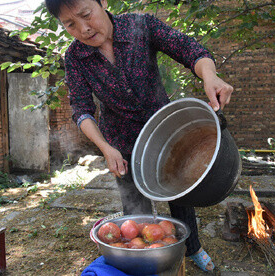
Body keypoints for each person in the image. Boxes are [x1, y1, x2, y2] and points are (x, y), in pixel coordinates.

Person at [45, 0, 233, 272]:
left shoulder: (140, 26)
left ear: (103, 3)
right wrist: (105, 147)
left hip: (167, 135)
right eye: (70, 24)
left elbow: (190, 50)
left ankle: (193, 248)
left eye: (87, 15)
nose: (84, 29)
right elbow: (82, 109)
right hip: (120, 145)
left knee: (181, 200)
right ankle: (143, 259)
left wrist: (210, 76)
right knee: (136, 211)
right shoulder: (75, 58)